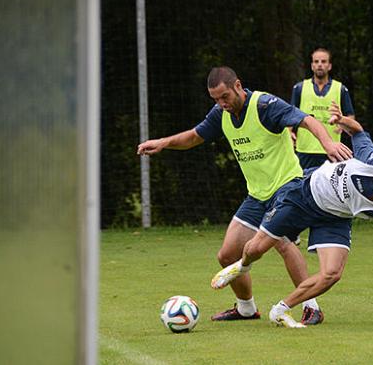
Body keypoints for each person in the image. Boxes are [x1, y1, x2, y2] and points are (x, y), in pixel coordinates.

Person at [137, 67, 352, 324]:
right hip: (257, 194)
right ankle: (246, 308)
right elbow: (195, 136)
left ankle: (311, 307)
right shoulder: (221, 113)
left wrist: (328, 143)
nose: (221, 104)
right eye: (215, 99)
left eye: (224, 96)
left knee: (281, 241)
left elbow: (307, 120)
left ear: (238, 86)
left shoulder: (264, 105)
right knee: (227, 256)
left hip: (287, 186)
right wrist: (163, 142)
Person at [211, 102, 373, 328]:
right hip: (304, 195)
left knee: (332, 274)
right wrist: (343, 120)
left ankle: (281, 309)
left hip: (334, 216)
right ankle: (241, 267)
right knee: (255, 249)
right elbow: (359, 132)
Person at [291, 48, 356, 169]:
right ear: (311, 66)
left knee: (331, 187)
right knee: (305, 186)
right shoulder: (299, 88)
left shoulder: (340, 89)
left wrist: (342, 123)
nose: (319, 64)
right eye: (316, 61)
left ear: (329, 66)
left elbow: (350, 115)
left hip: (332, 149)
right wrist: (289, 133)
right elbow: (290, 114)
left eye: (323, 61)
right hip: (305, 150)